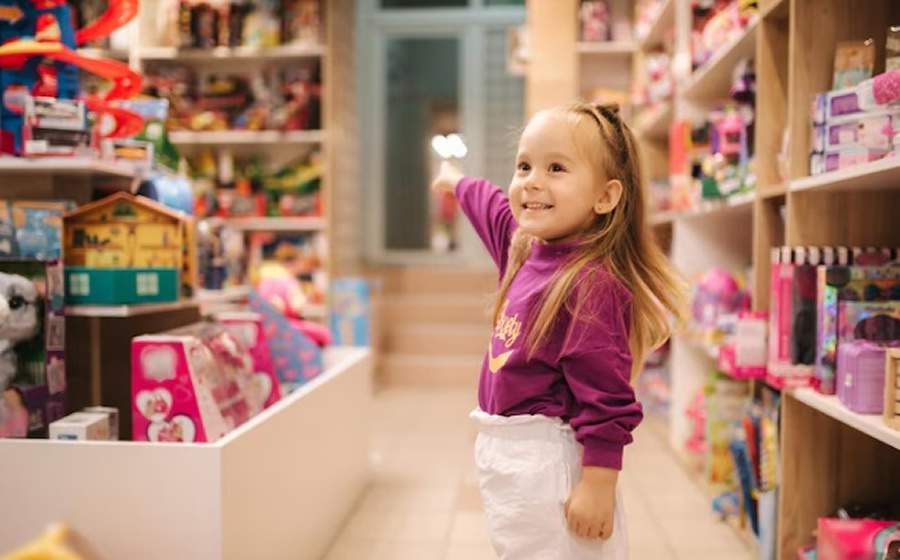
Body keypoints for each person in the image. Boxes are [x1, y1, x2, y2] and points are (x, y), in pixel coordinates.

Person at [431, 103, 684, 559]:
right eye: (524, 165)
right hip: (509, 461)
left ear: (605, 198)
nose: (531, 180)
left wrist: (599, 484)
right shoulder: (527, 251)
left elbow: (607, 397)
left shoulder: (590, 285)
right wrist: (456, 183)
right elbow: (493, 208)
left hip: (548, 467)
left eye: (556, 168)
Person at [256, 242, 331, 347]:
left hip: (265, 330)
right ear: (296, 262)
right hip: (285, 327)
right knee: (324, 334)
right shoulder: (289, 282)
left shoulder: (265, 279)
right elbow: (297, 306)